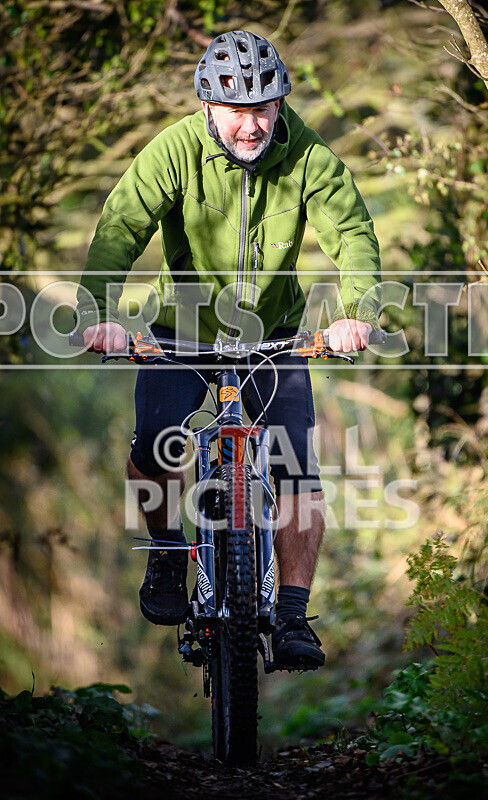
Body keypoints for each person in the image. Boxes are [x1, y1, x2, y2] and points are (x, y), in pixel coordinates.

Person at [75, 30, 381, 669]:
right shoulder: (176, 149)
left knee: (297, 471)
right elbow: (119, 228)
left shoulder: (304, 154)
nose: (252, 123)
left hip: (274, 337)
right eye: (237, 109)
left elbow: (350, 231)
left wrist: (358, 313)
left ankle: (293, 616)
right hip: (179, 331)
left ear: (280, 102)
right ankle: (166, 557)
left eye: (264, 106)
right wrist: (98, 314)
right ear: (208, 105)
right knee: (153, 444)